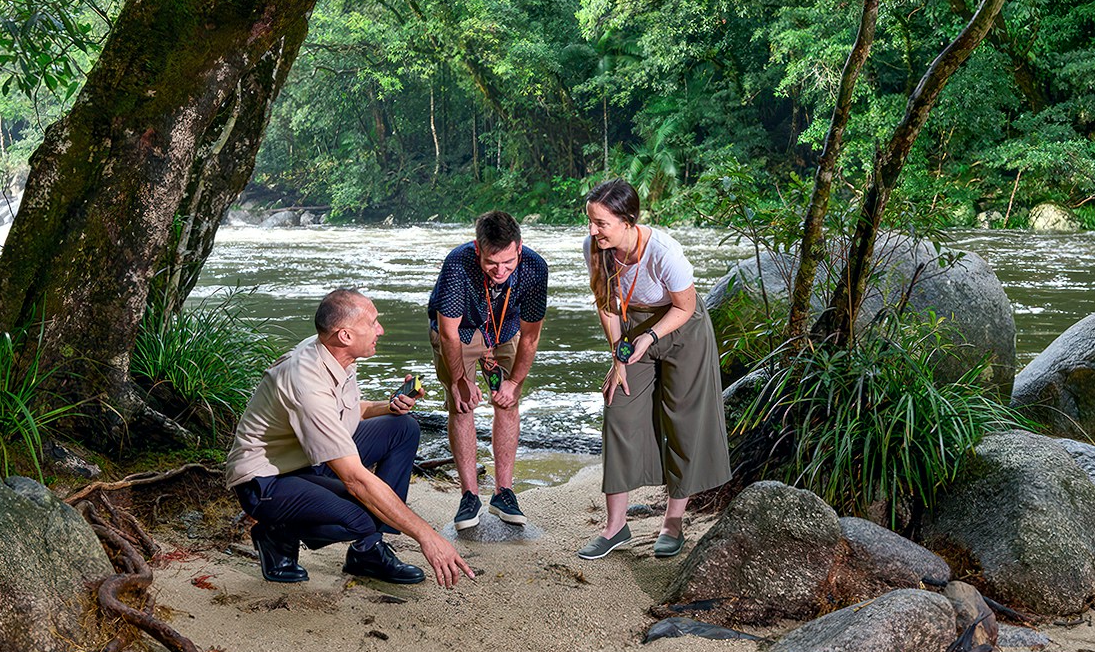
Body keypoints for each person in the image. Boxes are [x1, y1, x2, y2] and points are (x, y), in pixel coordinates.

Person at [226, 289, 474, 588]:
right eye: (373, 323)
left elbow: (350, 410)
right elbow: (356, 480)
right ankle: (277, 532)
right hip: (267, 480)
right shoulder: (306, 382)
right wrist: (427, 536)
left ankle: (367, 552)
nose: (380, 330)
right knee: (367, 514)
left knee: (402, 427)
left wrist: (389, 405)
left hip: (308, 460)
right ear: (344, 335)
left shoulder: (335, 354)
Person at [577, 179, 731, 560]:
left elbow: (685, 306)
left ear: (628, 221)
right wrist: (618, 358)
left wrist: (650, 337)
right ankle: (616, 527)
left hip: (681, 328)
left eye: (601, 223)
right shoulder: (596, 249)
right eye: (591, 221)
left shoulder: (665, 253)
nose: (593, 231)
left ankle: (672, 522)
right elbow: (606, 304)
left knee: (682, 420)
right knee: (618, 408)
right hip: (632, 328)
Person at [427, 210, 549, 529]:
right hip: (461, 332)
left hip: (505, 330)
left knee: (507, 402)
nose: (501, 270)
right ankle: (469, 496)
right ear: (477, 249)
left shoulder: (534, 268)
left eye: (508, 262)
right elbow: (448, 332)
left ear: (519, 248)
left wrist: (515, 382)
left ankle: (503, 492)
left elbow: (532, 335)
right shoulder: (458, 263)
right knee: (462, 404)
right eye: (492, 263)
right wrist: (459, 381)